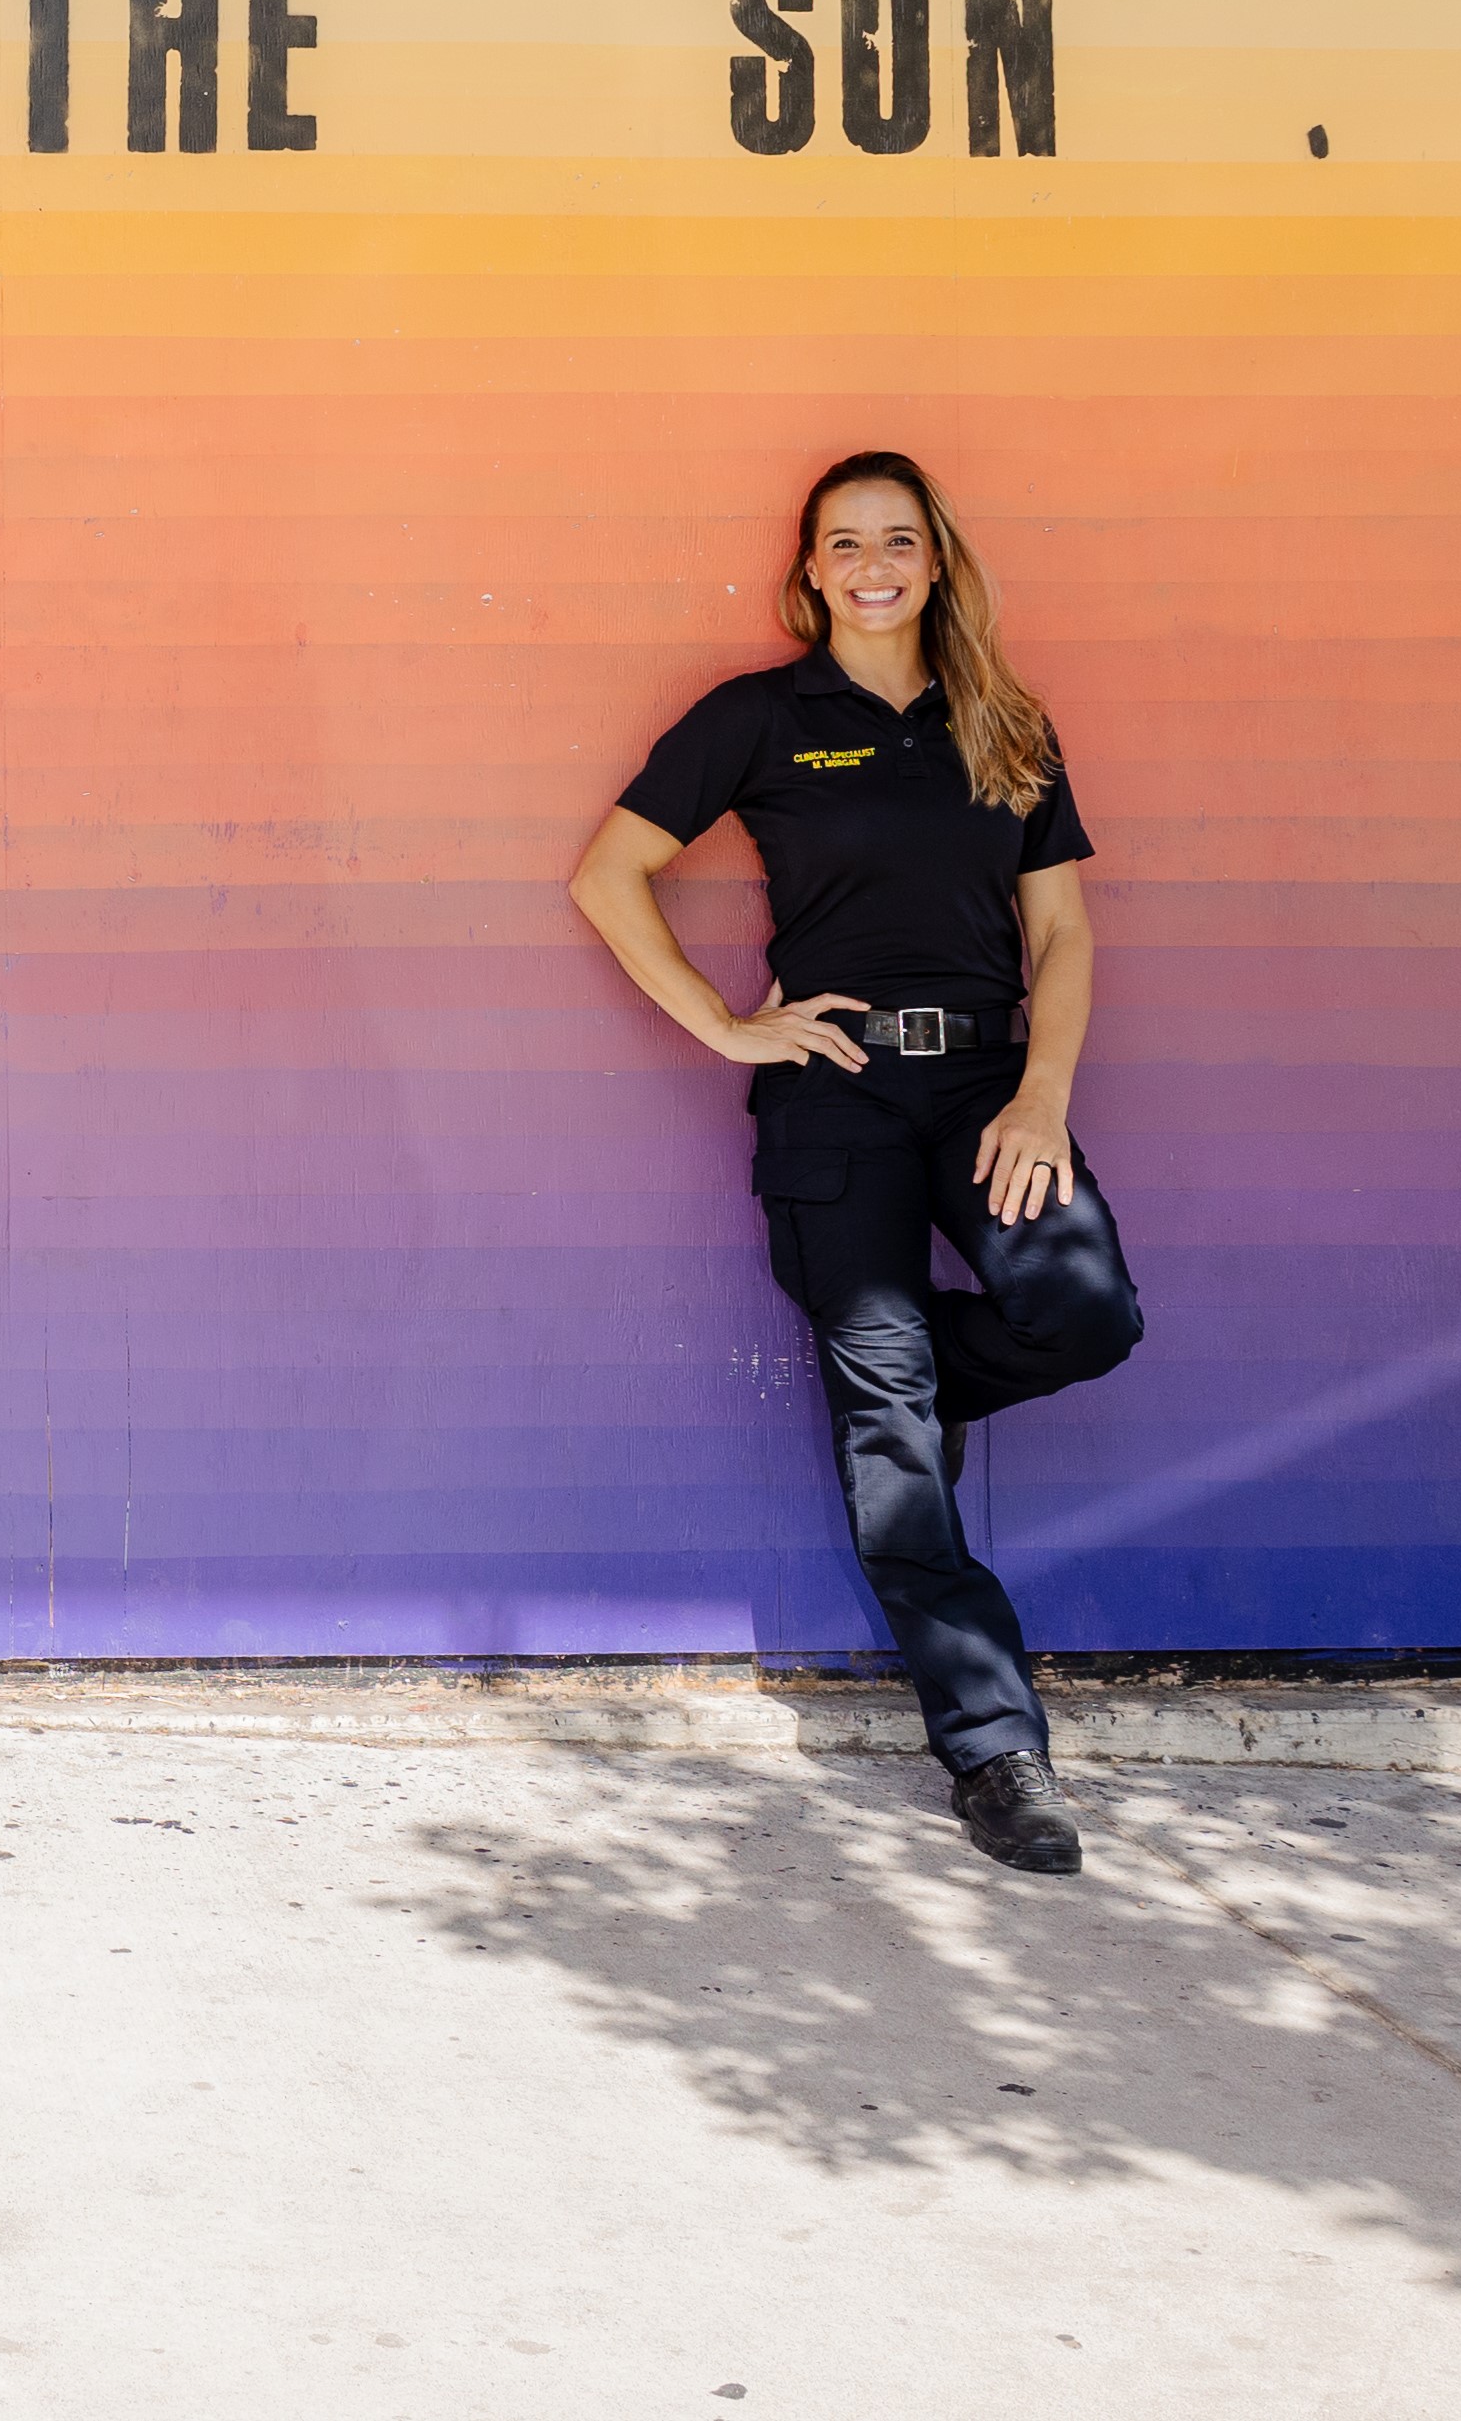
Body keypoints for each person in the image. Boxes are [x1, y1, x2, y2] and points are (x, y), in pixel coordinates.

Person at [565, 451, 1145, 1877]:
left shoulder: (1004, 721)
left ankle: (906, 1386)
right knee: (892, 1446)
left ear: (936, 561)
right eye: (845, 543)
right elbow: (605, 872)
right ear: (810, 570)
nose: (872, 564)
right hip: (835, 1095)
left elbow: (1060, 935)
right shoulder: (761, 719)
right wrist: (725, 1025)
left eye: (899, 540)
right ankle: (998, 1749)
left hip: (987, 1087)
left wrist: (1043, 1096)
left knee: (1086, 1313)